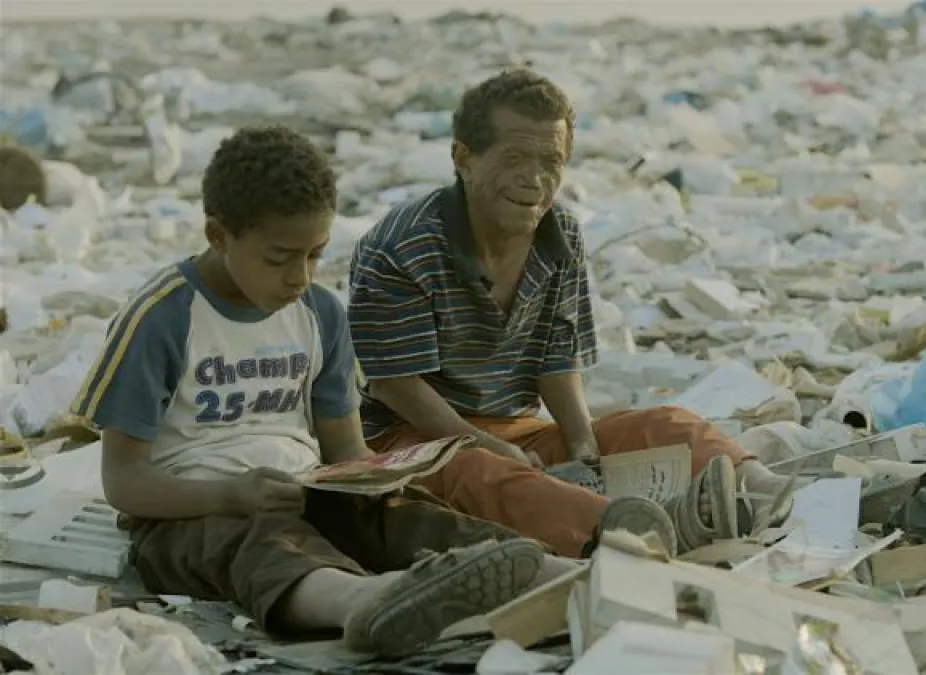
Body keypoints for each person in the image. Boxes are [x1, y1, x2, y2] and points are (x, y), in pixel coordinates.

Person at [67, 125, 632, 659]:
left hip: (303, 488)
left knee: (407, 516)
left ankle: (557, 578)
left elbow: (346, 450)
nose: (300, 277)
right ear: (219, 236)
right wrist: (232, 495)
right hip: (193, 513)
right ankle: (364, 601)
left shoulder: (319, 313)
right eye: (279, 258)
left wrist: (380, 477)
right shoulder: (164, 317)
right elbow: (125, 483)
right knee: (259, 546)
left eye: (315, 254)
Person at [347, 69, 799, 558]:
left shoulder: (559, 233)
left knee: (665, 424)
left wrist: (583, 446)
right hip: (416, 443)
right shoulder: (402, 245)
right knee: (483, 475)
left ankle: (762, 493)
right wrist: (486, 445)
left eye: (551, 162)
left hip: (520, 433)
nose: (534, 179)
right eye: (514, 159)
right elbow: (396, 384)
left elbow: (557, 360)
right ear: (463, 158)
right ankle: (637, 535)